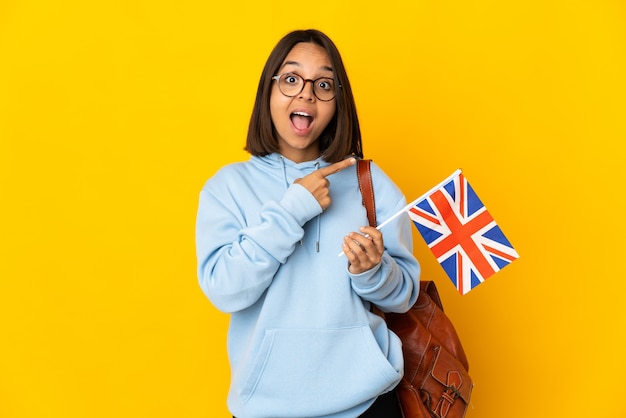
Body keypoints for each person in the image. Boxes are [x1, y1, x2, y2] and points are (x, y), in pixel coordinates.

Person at [195, 29, 420, 418]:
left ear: (338, 102)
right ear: (269, 91)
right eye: (292, 79)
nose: (306, 94)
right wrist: (291, 209)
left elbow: (403, 297)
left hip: (366, 403)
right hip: (265, 408)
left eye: (324, 84)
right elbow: (224, 290)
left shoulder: (370, 182)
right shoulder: (227, 187)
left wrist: (372, 273)